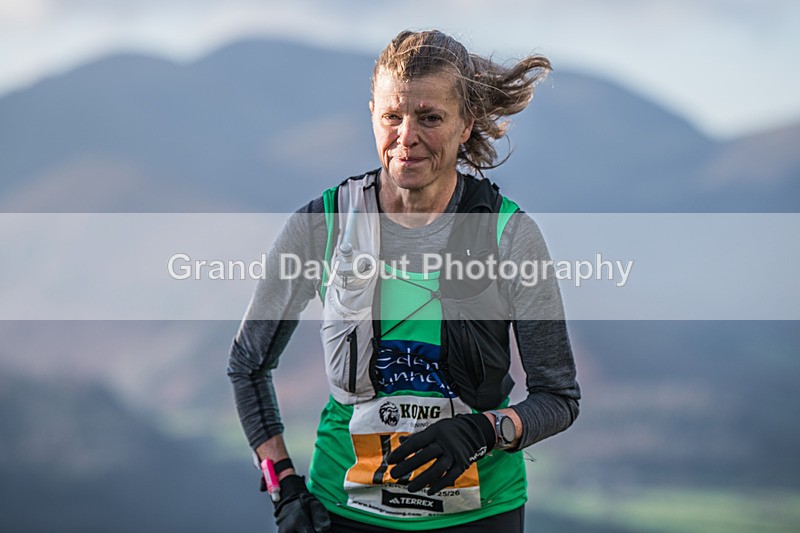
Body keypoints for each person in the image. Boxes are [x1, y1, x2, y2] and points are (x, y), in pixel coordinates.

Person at [228, 29, 580, 533]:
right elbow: (248, 364)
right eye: (392, 116)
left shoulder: (509, 234)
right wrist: (281, 483)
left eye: (430, 117)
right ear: (372, 112)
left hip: (480, 514)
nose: (406, 137)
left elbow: (558, 398)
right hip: (345, 511)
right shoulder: (323, 224)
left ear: (465, 125)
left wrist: (484, 429)